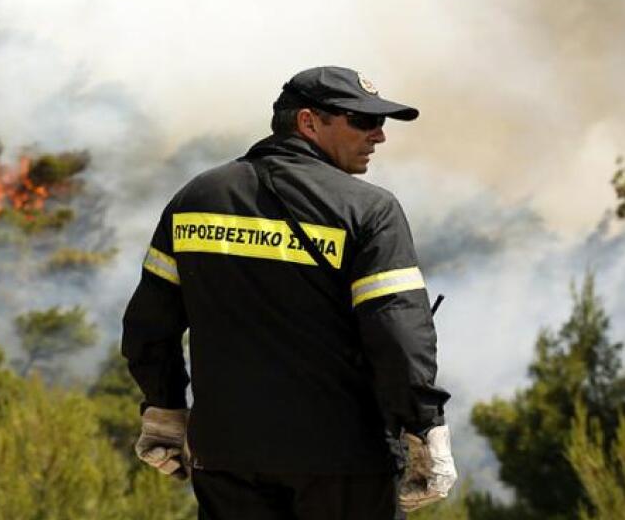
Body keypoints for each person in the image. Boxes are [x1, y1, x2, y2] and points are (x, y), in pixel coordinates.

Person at [121, 66, 456, 519]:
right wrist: (424, 429)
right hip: (342, 461)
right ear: (307, 122)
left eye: (381, 123)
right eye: (362, 121)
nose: (379, 135)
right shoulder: (371, 211)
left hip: (226, 457)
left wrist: (163, 408)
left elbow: (149, 327)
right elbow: (399, 337)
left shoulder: (196, 197)